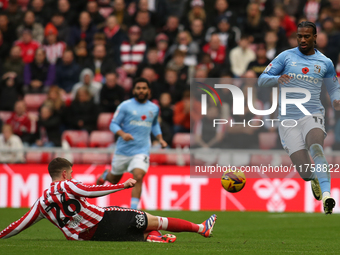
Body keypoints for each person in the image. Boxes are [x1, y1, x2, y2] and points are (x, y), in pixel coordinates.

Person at [0, 157, 217, 242]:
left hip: (85, 238)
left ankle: (158, 240)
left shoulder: (41, 202)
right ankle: (201, 228)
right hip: (103, 220)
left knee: (136, 234)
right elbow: (91, 191)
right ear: (65, 173)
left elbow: (19, 225)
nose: (73, 175)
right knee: (152, 220)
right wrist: (121, 185)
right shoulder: (68, 184)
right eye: (72, 172)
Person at [258, 21, 340, 214]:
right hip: (288, 120)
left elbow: (334, 87)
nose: (302, 40)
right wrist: (276, 79)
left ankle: (328, 196)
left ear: (315, 37)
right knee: (304, 172)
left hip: (313, 114)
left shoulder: (325, 62)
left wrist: (336, 100)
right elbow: (262, 80)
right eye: (299, 36)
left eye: (306, 36)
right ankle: (313, 179)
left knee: (316, 147)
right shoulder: (285, 57)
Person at [96, 78, 167, 210]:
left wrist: (160, 138)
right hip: (123, 150)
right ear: (134, 90)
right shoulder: (125, 106)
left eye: (144, 88)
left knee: (138, 176)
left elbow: (155, 124)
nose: (141, 91)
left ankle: (133, 210)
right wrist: (123, 134)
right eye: (138, 88)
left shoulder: (154, 108)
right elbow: (113, 123)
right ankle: (106, 175)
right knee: (114, 179)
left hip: (142, 150)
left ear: (149, 91)